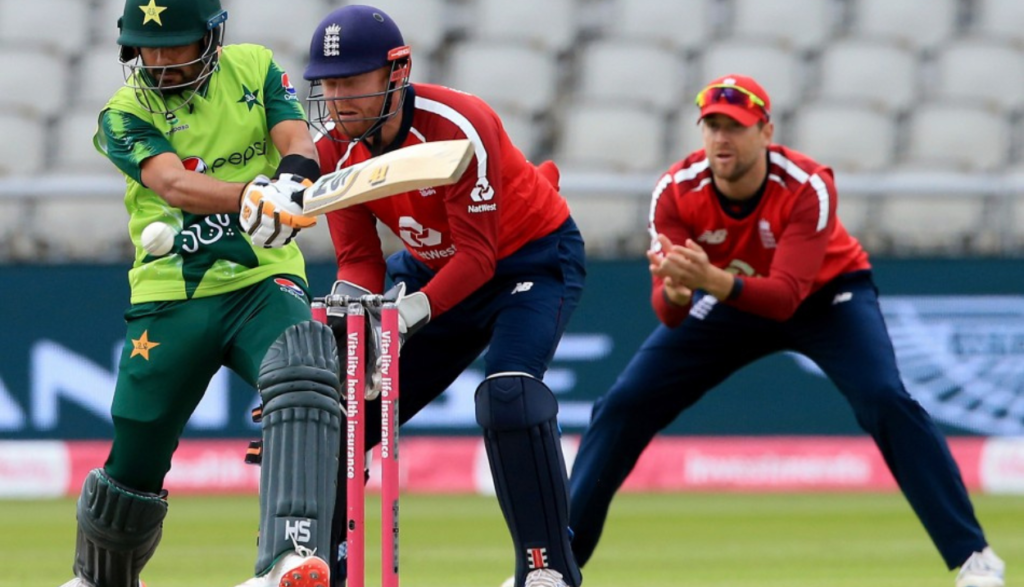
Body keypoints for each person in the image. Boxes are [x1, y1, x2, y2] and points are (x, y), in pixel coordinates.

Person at [567, 74, 1006, 587]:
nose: (721, 138)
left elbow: (785, 298)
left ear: (766, 132)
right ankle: (556, 565)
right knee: (624, 404)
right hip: (728, 297)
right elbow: (668, 311)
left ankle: (974, 556)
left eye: (736, 126)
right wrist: (680, 292)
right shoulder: (675, 191)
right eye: (712, 125)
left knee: (885, 399)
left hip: (828, 299)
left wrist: (706, 280)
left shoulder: (808, 185)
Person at [60, 2, 342, 587]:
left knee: (304, 368)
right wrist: (252, 197)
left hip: (262, 279)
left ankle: (289, 556)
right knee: (135, 455)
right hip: (171, 293)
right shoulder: (123, 112)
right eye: (147, 47)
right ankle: (99, 576)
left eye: (175, 45)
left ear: (212, 38)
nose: (158, 61)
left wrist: (291, 180)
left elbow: (296, 134)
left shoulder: (255, 67)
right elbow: (172, 183)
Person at [302, 6, 586, 587]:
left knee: (510, 395)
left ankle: (546, 570)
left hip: (528, 261)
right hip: (433, 269)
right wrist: (352, 317)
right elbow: (359, 259)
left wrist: (407, 313)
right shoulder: (333, 146)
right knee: (345, 414)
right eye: (328, 84)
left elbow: (480, 257)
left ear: (397, 73)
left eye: (352, 81)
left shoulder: (459, 121)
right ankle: (320, 571)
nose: (338, 99)